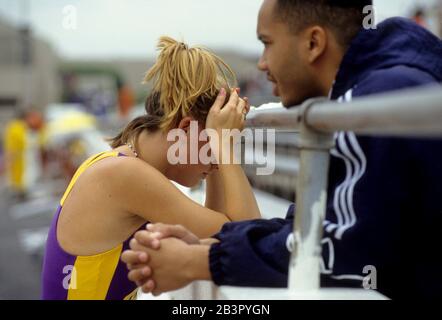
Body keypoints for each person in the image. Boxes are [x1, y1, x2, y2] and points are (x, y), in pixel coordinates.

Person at [122, 0, 442, 299]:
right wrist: (211, 248)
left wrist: (199, 260)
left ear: (313, 43)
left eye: (267, 43)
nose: (261, 63)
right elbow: (315, 224)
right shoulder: (385, 87)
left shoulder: (378, 99)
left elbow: (344, 247)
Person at [41, 36, 261, 300]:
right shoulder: (125, 176)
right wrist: (224, 144)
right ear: (184, 130)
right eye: (211, 143)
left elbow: (216, 233)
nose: (216, 164)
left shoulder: (120, 163)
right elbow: (249, 241)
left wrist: (220, 143)